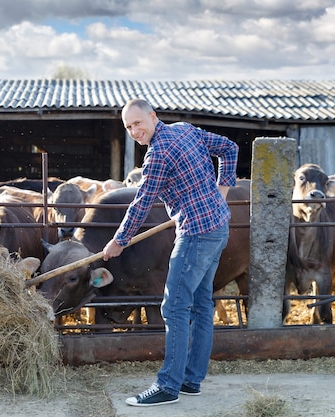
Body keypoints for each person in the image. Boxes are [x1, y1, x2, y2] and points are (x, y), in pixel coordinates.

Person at [102, 98, 239, 407]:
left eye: (138, 123)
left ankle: (168, 386)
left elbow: (141, 204)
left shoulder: (158, 154)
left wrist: (118, 241)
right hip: (218, 227)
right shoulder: (185, 130)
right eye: (128, 127)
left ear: (152, 116)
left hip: (196, 234)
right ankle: (191, 381)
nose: (135, 131)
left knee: (174, 307)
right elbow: (229, 148)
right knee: (202, 304)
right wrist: (223, 192)